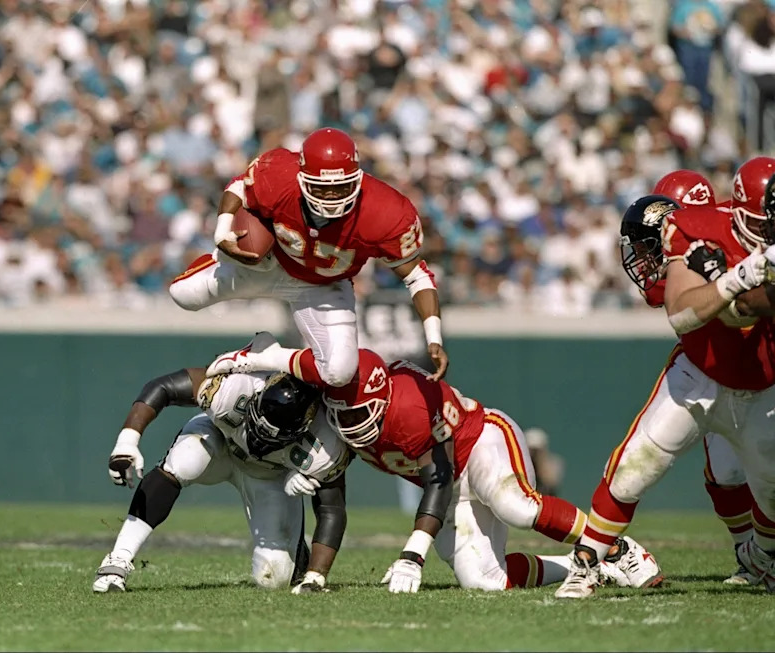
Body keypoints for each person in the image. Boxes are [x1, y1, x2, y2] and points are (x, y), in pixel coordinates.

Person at [223, 343, 656, 592]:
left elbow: (439, 477)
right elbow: (292, 358)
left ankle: (615, 544)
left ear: (383, 399)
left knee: (516, 506)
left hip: (477, 442)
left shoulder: (408, 408)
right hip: (443, 480)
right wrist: (245, 359)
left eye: (360, 416)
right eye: (343, 417)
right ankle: (589, 564)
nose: (353, 428)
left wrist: (413, 553)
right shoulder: (336, 397)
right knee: (483, 580)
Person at [556, 156, 775, 598]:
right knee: (634, 466)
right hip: (700, 371)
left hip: (762, 384)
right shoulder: (695, 227)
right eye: (761, 222)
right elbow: (683, 313)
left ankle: (761, 559)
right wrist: (735, 278)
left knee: (766, 492)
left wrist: (731, 281)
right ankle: (587, 563)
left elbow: (745, 313)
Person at [169, 127, 449, 389]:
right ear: (301, 177)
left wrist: (433, 336)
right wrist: (221, 233)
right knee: (182, 295)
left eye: (340, 187)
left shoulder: (387, 211)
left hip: (322, 287)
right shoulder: (279, 174)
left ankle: (263, 356)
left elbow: (416, 276)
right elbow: (240, 187)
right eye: (320, 187)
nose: (330, 197)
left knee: (339, 372)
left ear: (358, 178)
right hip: (268, 266)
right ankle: (216, 260)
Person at [94, 367, 351, 594]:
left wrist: (316, 576)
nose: (258, 439)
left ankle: (298, 557)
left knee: (274, 577)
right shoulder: (235, 387)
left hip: (267, 475)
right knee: (186, 459)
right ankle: (118, 560)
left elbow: (332, 509)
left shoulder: (323, 442)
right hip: (219, 443)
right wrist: (127, 441)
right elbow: (163, 387)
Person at [622, 180, 758, 584]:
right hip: (724, 369)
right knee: (725, 473)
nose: (650, 252)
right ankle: (753, 557)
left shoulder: (739, 232)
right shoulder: (692, 250)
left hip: (758, 368)